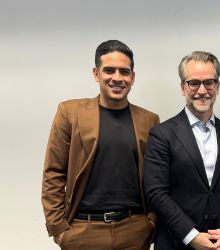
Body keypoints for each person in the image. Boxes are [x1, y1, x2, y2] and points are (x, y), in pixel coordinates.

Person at [41, 40, 159, 250]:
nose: (117, 78)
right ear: (96, 74)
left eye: (124, 72)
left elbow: (157, 178)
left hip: (134, 231)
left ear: (132, 77)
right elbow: (53, 173)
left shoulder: (149, 120)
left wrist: (150, 223)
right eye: (109, 70)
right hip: (83, 231)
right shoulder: (70, 112)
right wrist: (58, 229)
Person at [144, 51, 220, 250]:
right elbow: (156, 192)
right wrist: (190, 235)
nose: (202, 90)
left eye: (209, 82)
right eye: (194, 83)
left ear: (217, 87)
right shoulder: (161, 134)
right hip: (177, 242)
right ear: (183, 87)